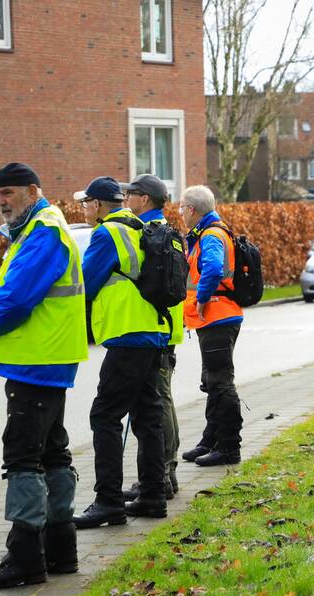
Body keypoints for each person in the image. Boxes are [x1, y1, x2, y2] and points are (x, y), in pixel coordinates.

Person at [0, 162, 88, 589]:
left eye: (8, 193)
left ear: (33, 191)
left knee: (22, 456)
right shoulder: (38, 229)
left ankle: (26, 558)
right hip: (46, 358)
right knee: (51, 453)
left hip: (38, 359)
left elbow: (17, 298)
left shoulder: (42, 232)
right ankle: (60, 549)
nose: (1, 201)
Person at [72, 177, 171, 529]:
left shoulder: (107, 233)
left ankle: (109, 502)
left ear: (98, 205)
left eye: (86, 203)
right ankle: (153, 496)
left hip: (127, 335)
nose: (84, 210)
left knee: (104, 416)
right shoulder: (139, 226)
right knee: (147, 416)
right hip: (152, 332)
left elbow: (85, 284)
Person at [119, 174, 183, 502]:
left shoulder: (147, 233)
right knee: (163, 400)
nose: (125, 200)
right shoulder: (168, 232)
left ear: (144, 199)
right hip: (168, 326)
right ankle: (166, 472)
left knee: (156, 405)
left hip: (155, 328)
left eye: (130, 194)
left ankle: (163, 474)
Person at [178, 185, 244, 467]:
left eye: (182, 207)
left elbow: (214, 268)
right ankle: (210, 441)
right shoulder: (207, 232)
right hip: (215, 318)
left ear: (192, 210)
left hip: (217, 316)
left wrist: (202, 299)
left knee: (220, 383)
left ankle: (229, 448)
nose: (180, 212)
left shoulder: (211, 234)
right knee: (212, 382)